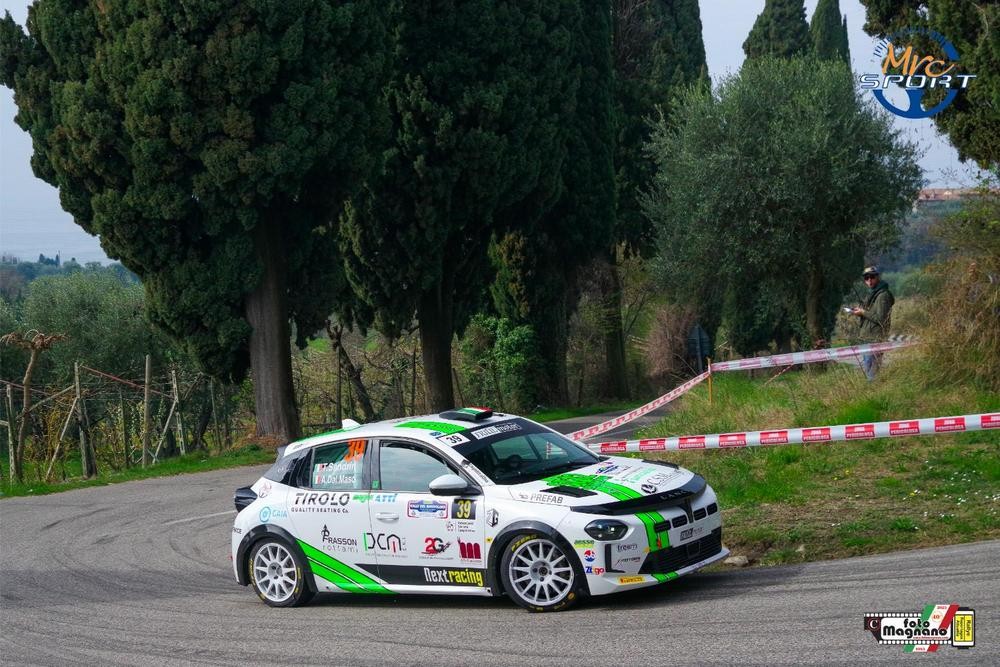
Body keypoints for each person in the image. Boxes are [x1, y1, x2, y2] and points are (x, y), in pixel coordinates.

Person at [851, 265, 894, 381]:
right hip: (867, 337)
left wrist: (863, 312)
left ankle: (874, 390)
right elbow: (871, 314)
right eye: (866, 278)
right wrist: (860, 312)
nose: (869, 280)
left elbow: (880, 318)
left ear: (877, 277)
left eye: (872, 277)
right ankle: (872, 390)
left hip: (875, 338)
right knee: (868, 371)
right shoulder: (873, 294)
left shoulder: (883, 295)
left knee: (872, 374)